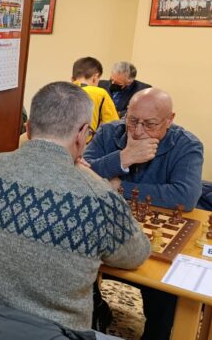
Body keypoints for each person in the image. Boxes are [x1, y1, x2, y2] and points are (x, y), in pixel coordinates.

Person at [0, 82, 150, 335]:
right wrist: (95, 178)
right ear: (82, 133)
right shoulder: (98, 196)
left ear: (28, 129)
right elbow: (136, 254)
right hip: (54, 333)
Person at [84, 88, 204, 340]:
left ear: (169, 120)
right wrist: (123, 157)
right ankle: (94, 316)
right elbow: (79, 172)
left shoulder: (187, 145)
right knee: (74, 263)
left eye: (149, 124)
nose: (138, 131)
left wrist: (119, 186)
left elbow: (185, 197)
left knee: (165, 294)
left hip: (153, 241)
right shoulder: (109, 132)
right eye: (132, 120)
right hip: (105, 232)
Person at [71, 57, 119, 139]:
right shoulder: (100, 93)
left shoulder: (62, 90)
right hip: (86, 143)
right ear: (95, 77)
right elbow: (114, 125)